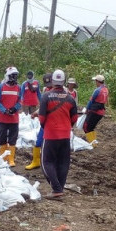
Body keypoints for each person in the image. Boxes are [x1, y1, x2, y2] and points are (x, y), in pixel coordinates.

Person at [38, 69, 78, 199]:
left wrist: (46, 127)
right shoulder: (70, 98)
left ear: (53, 81)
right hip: (65, 135)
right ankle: (59, 187)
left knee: (46, 162)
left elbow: (42, 118)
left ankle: (56, 189)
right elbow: (74, 119)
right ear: (64, 81)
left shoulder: (46, 96)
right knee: (63, 162)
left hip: (50, 134)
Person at [0, 67, 22, 166]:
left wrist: (15, 108)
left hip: (14, 118)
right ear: (8, 76)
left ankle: (11, 159)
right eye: (12, 75)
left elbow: (20, 100)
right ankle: (3, 158)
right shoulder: (0, 87)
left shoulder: (18, 88)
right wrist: (5, 110)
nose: (14, 78)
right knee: (1, 138)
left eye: (15, 75)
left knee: (13, 139)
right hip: (2, 118)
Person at [26, 72, 52, 170]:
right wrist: (36, 112)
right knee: (39, 141)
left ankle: (51, 163)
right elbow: (43, 105)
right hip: (45, 122)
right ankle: (35, 161)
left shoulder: (62, 91)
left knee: (52, 144)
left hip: (55, 122)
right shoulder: (45, 90)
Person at [83, 74, 109, 146]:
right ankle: (93, 142)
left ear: (98, 81)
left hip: (94, 111)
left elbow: (91, 101)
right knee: (91, 127)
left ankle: (93, 143)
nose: (95, 83)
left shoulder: (97, 90)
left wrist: (87, 109)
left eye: (95, 81)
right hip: (101, 112)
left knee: (86, 127)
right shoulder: (106, 89)